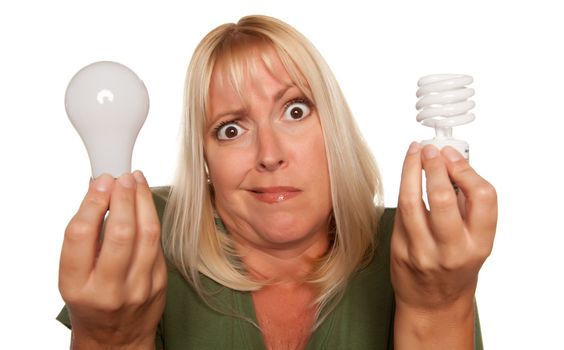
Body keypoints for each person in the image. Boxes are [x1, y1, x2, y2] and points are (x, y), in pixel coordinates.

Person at [57, 15, 497, 350]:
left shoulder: (422, 251)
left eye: (295, 111)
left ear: (335, 130)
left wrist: (438, 307)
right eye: (231, 129)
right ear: (205, 160)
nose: (270, 155)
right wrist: (109, 339)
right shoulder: (145, 235)